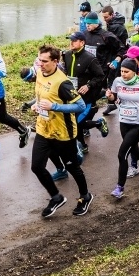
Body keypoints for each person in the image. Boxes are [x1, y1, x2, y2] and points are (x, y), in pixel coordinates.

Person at [30, 46, 93, 217]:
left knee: (72, 167)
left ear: (55, 62)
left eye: (45, 61)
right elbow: (42, 95)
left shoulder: (62, 82)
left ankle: (85, 196)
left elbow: (80, 106)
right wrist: (36, 105)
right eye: (39, 60)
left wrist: (54, 107)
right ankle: (56, 197)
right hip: (44, 129)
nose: (40, 64)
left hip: (63, 133)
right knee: (36, 167)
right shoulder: (40, 73)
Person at [51, 31, 107, 180]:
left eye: (74, 40)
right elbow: (65, 72)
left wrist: (88, 85)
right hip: (71, 96)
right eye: (70, 40)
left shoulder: (90, 58)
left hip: (85, 99)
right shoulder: (67, 55)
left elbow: (100, 76)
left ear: (82, 42)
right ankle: (83, 145)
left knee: (77, 123)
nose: (71, 43)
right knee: (74, 123)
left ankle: (97, 124)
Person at [107, 58, 139, 199]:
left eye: (126, 71)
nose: (123, 74)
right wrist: (110, 96)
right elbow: (113, 98)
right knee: (133, 148)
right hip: (123, 121)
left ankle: (120, 188)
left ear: (134, 71)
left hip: (137, 123)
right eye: (122, 71)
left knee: (122, 154)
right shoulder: (117, 81)